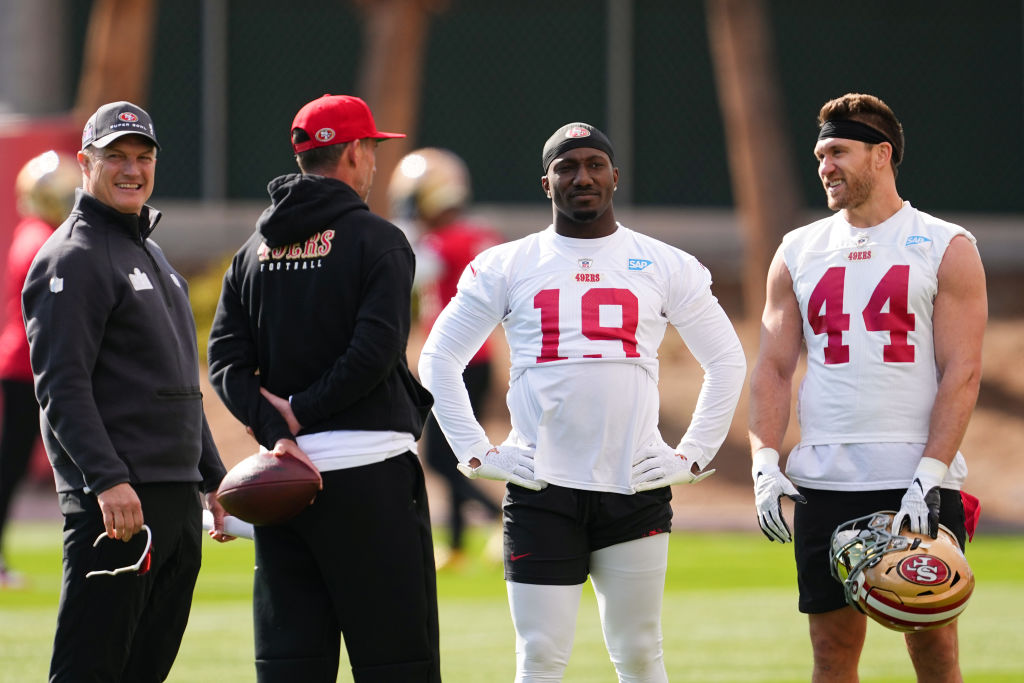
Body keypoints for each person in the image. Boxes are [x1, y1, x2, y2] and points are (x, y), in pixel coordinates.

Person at [419, 122, 746, 682]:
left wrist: (692, 454)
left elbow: (727, 360)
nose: (582, 177)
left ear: (615, 175)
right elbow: (438, 359)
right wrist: (476, 453)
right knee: (541, 656)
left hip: (634, 486)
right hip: (541, 488)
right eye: (567, 167)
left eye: (594, 163)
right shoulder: (507, 264)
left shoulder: (663, 262)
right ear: (545, 182)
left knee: (641, 651)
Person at [747, 93, 986, 682]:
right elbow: (774, 366)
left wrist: (931, 474)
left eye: (838, 151)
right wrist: (763, 461)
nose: (824, 165)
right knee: (830, 654)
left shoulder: (945, 244)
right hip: (824, 480)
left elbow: (964, 371)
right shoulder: (798, 250)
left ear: (882, 156)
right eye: (819, 154)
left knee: (934, 650)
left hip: (915, 479)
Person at [207, 94, 440, 682]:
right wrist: (303, 412)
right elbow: (375, 351)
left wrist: (273, 430)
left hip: (282, 483)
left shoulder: (250, 255)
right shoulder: (379, 240)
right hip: (371, 478)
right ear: (357, 152)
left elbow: (223, 362)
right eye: (374, 150)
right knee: (397, 663)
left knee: (291, 665)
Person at [21, 101, 232, 682]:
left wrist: (214, 478)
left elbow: (179, 389)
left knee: (144, 671)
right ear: (86, 163)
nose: (131, 168)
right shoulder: (72, 256)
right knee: (90, 670)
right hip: (116, 505)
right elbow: (61, 386)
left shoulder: (155, 255)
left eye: (143, 156)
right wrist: (106, 478)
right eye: (115, 156)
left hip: (173, 502)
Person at [389, 147, 504, 570]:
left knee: (439, 457)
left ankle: (501, 516)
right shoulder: (478, 234)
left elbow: (406, 272)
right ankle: (456, 545)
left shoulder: (441, 242)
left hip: (456, 363)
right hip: (481, 359)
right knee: (458, 452)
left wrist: (404, 224)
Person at [0, 150, 79, 588]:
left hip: (24, 363)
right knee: (13, 466)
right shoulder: (41, 240)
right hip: (30, 367)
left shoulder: (32, 232)